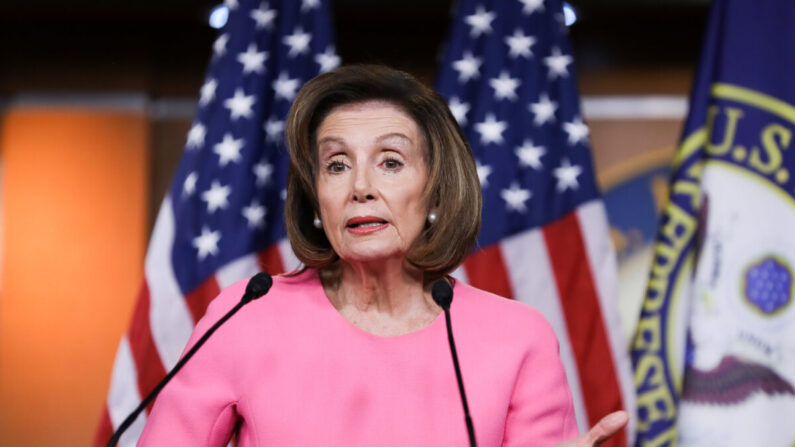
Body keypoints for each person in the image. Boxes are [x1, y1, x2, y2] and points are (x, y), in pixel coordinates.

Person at [137, 65, 627, 446]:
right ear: (315, 197)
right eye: (336, 164)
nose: (361, 187)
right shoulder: (246, 315)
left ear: (436, 192)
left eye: (390, 162)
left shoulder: (518, 340)